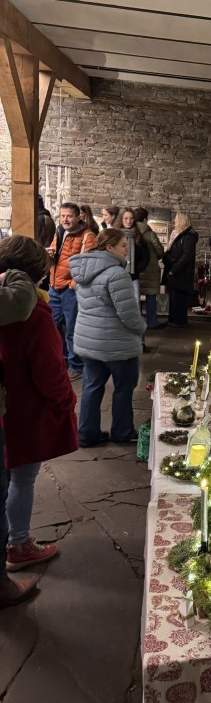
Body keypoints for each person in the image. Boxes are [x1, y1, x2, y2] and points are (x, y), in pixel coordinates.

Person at [0, 237, 77, 571]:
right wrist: (66, 399)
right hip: (25, 408)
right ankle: (18, 544)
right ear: (38, 275)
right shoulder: (33, 314)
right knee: (22, 478)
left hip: (6, 402)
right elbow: (49, 369)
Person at [70, 228, 146, 447]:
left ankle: (87, 434)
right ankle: (122, 431)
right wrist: (141, 328)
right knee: (123, 388)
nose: (126, 250)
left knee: (91, 387)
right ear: (110, 247)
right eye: (123, 245)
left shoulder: (83, 270)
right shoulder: (116, 274)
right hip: (116, 344)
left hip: (89, 339)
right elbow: (128, 313)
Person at [0, 267, 39, 608]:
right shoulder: (30, 307)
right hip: (20, 406)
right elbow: (21, 300)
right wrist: (15, 274)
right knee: (16, 480)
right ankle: (4, 579)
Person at [48, 201, 97, 381]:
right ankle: (62, 361)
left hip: (70, 290)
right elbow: (57, 256)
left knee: (72, 329)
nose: (65, 219)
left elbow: (90, 264)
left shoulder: (88, 236)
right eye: (62, 216)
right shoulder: (59, 231)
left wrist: (74, 282)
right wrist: (49, 256)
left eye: (69, 216)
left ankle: (76, 366)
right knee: (52, 326)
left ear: (78, 217)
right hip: (54, 287)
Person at [162, 212, 198, 327]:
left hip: (182, 272)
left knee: (179, 297)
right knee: (173, 296)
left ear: (182, 221)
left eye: (176, 219)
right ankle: (172, 320)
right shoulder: (177, 234)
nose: (174, 221)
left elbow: (187, 255)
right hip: (174, 270)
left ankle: (179, 322)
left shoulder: (189, 236)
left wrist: (174, 269)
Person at [134, 207, 165, 330]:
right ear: (145, 219)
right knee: (151, 296)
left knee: (135, 298)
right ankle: (152, 322)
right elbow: (160, 251)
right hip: (150, 270)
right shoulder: (150, 233)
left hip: (135, 270)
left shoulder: (131, 232)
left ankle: (137, 323)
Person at [119, 207, 150, 305]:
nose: (129, 221)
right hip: (118, 277)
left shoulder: (139, 237)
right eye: (126, 218)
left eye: (131, 218)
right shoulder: (116, 236)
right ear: (121, 219)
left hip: (133, 277)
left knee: (135, 303)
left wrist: (135, 269)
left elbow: (145, 258)